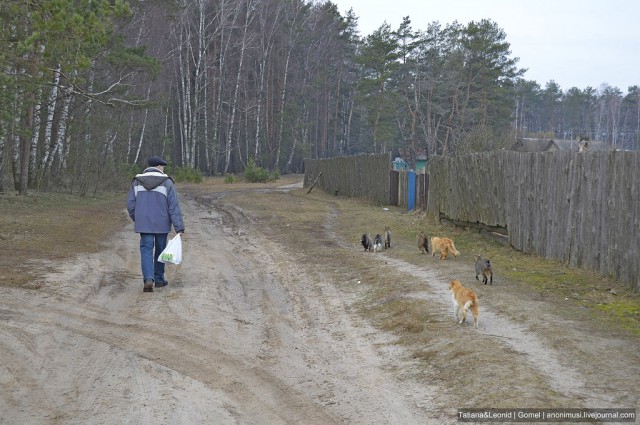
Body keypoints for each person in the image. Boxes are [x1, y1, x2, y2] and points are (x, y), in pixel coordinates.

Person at [127, 156, 185, 292]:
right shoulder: (167, 183)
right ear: (159, 167)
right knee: (160, 249)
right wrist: (179, 227)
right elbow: (173, 206)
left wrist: (139, 218)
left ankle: (148, 278)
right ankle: (159, 279)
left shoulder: (136, 182)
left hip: (144, 223)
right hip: (162, 223)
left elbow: (130, 204)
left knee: (146, 249)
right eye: (163, 166)